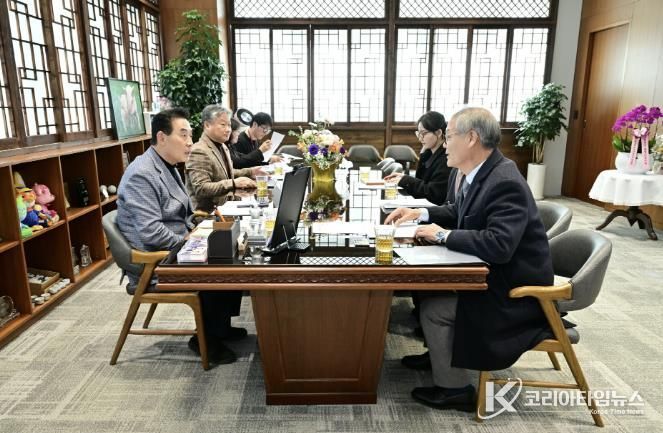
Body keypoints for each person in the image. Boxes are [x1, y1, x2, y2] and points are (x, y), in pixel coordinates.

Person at [385, 107, 553, 411]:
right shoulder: (477, 172)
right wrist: (420, 214)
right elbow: (459, 212)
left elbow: (499, 244)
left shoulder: (504, 181)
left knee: (435, 309)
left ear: (472, 138)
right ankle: (441, 355)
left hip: (512, 293)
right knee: (428, 289)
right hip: (492, 275)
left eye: (449, 137)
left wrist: (442, 235)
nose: (445, 145)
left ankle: (455, 390)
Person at [116, 108, 246, 365]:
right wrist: (193, 241)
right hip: (155, 260)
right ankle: (205, 339)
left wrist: (200, 229)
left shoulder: (167, 165)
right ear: (161, 137)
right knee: (220, 263)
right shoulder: (142, 174)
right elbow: (151, 232)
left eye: (190, 135)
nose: (189, 142)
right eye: (183, 135)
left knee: (231, 247)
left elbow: (182, 213)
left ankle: (220, 327)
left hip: (177, 242)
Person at [185, 104, 263, 212]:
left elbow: (225, 173)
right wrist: (234, 183)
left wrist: (251, 172)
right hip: (207, 215)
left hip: (227, 209)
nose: (228, 130)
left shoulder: (222, 146)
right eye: (223, 125)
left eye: (229, 125)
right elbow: (201, 188)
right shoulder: (199, 150)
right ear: (207, 125)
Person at [384, 111, 452, 205]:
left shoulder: (447, 157)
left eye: (424, 133)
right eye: (418, 133)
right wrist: (404, 177)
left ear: (439, 132)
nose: (420, 138)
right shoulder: (430, 153)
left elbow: (433, 193)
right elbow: (421, 180)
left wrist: (406, 180)